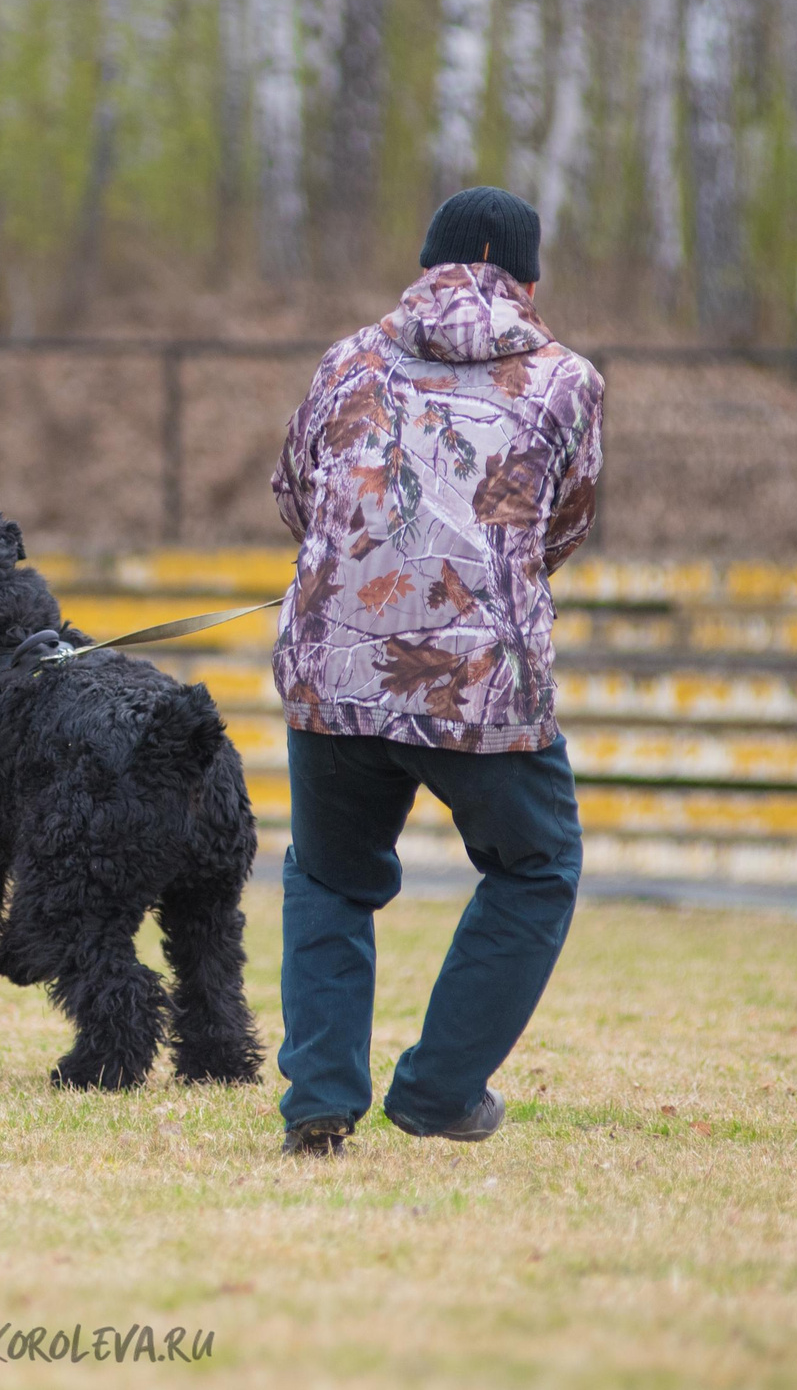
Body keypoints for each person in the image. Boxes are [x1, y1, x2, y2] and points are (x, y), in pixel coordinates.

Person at [266, 186, 605, 1156]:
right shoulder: (564, 380)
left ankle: (320, 1100)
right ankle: (437, 1090)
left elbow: (296, 488)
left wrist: (369, 570)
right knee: (536, 867)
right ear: (530, 281)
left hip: (337, 665)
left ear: (423, 267)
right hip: (484, 684)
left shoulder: (347, 358)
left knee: (330, 877)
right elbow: (563, 524)